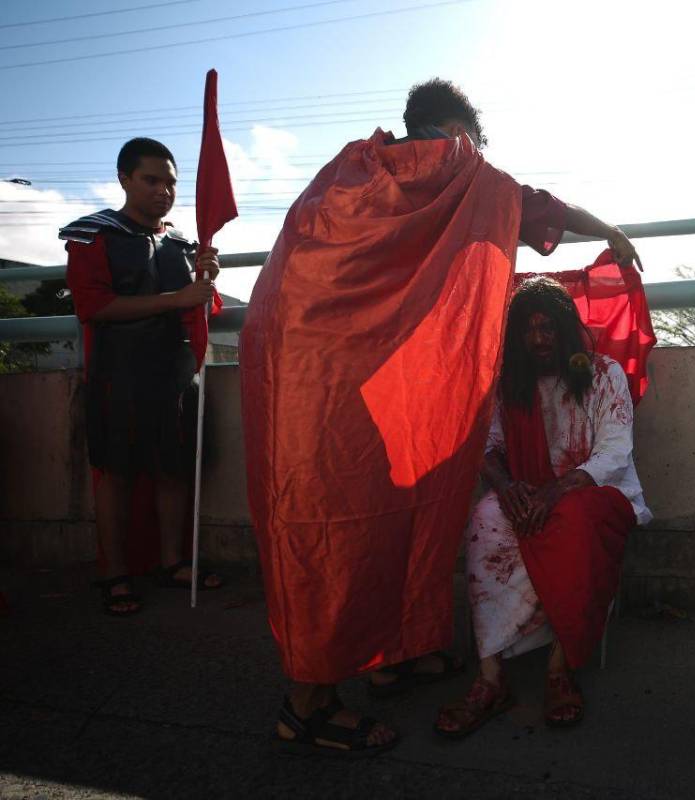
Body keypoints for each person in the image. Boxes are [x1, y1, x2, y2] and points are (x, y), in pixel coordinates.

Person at [242, 78, 642, 757]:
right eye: (475, 142)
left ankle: (393, 654)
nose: (473, 153)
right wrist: (608, 232)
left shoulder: (349, 170)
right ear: (463, 134)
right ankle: (308, 704)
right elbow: (538, 204)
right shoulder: (464, 173)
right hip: (360, 382)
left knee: (384, 522)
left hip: (307, 367)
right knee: (346, 534)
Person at [435, 277, 651, 738]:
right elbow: (488, 449)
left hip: (595, 495)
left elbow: (615, 452)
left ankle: (559, 667)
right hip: (530, 492)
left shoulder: (603, 373)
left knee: (570, 523)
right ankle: (491, 678)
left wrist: (556, 491)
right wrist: (508, 487)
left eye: (548, 327)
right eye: (529, 329)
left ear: (565, 331)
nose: (539, 338)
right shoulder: (510, 384)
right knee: (486, 520)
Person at [61, 137, 223, 617]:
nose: (163, 191)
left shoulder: (182, 243)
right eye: (152, 180)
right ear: (125, 179)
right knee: (116, 474)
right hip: (118, 372)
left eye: (170, 182)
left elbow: (200, 309)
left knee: (173, 470)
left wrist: (206, 280)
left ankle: (171, 563)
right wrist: (177, 299)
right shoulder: (94, 235)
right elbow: (94, 306)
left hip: (174, 371)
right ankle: (113, 572)